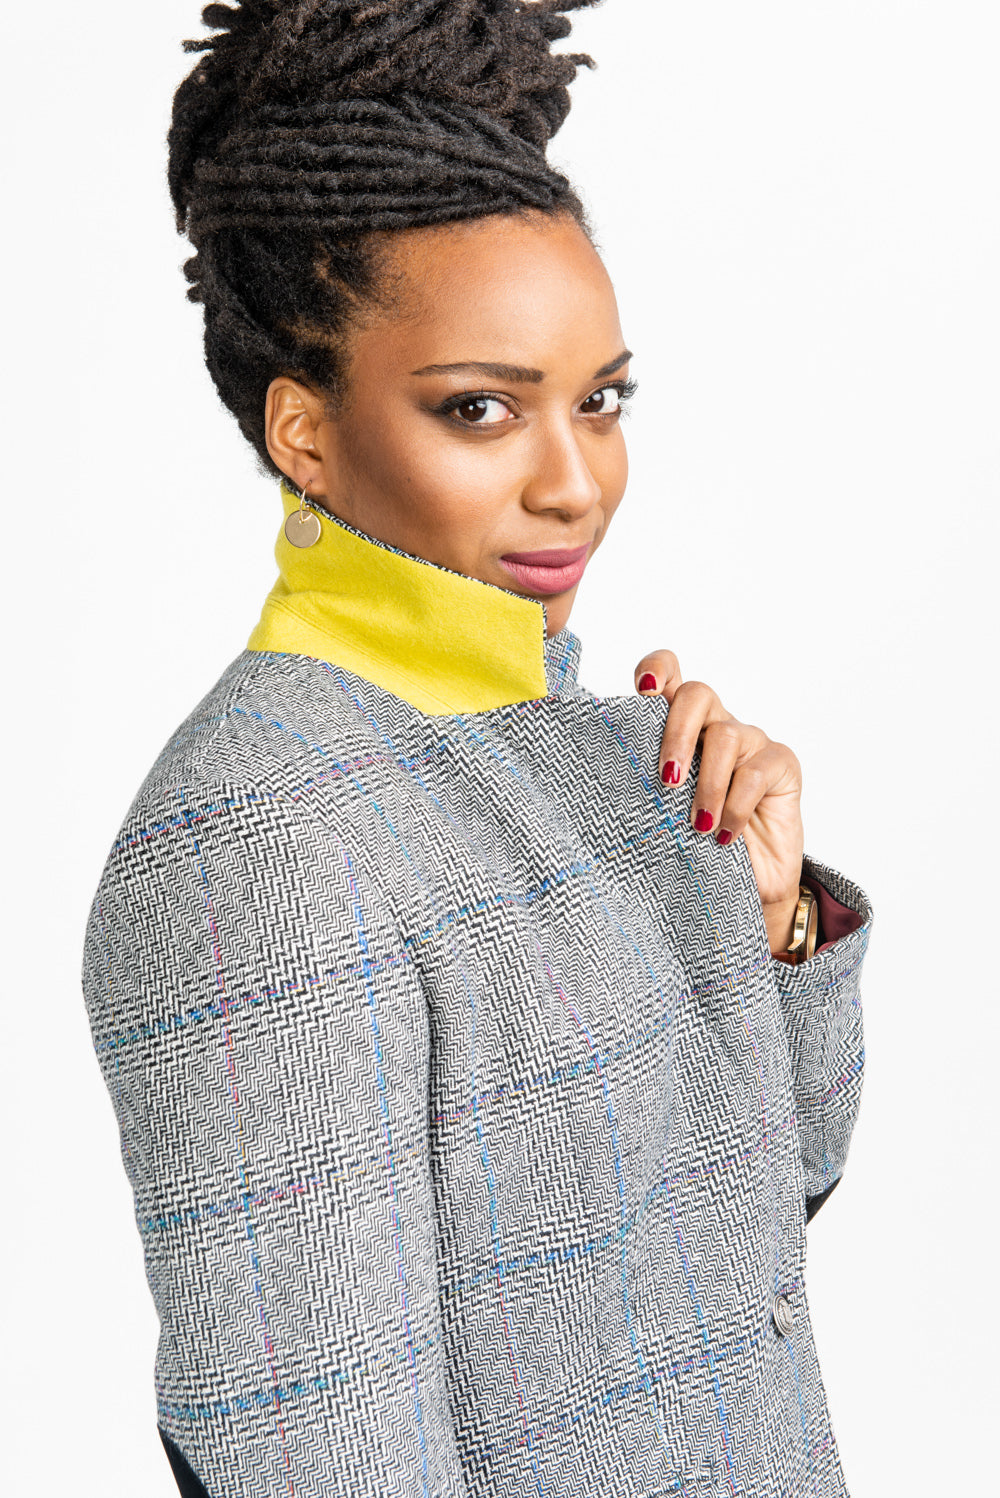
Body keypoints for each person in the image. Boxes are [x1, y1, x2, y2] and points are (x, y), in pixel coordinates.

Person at [82, 3, 872, 1495]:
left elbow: (752, 1233)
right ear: (305, 435)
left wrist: (767, 915)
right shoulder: (259, 843)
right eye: (480, 409)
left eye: (601, 400)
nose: (574, 483)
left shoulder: (594, 749)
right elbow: (319, 1452)